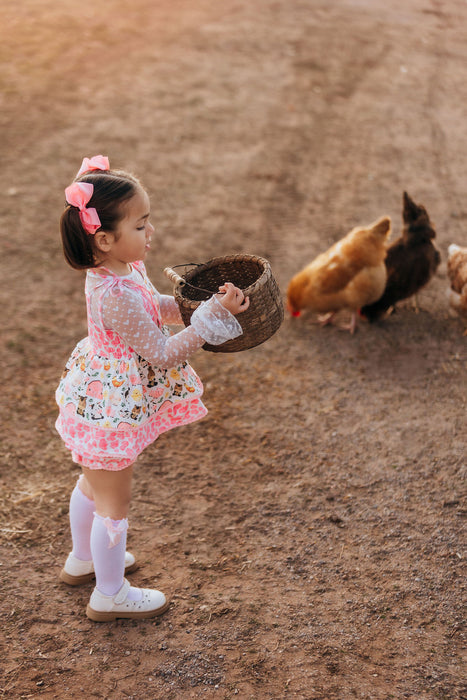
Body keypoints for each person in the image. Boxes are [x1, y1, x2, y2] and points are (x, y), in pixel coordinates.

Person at [56, 155, 249, 622]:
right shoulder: (113, 293)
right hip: (111, 406)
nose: (151, 232)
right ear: (104, 238)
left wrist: (191, 306)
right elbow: (162, 355)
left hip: (104, 398)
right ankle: (109, 593)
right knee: (113, 502)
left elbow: (154, 307)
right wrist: (208, 322)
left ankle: (83, 559)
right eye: (141, 226)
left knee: (92, 480)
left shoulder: (121, 271)